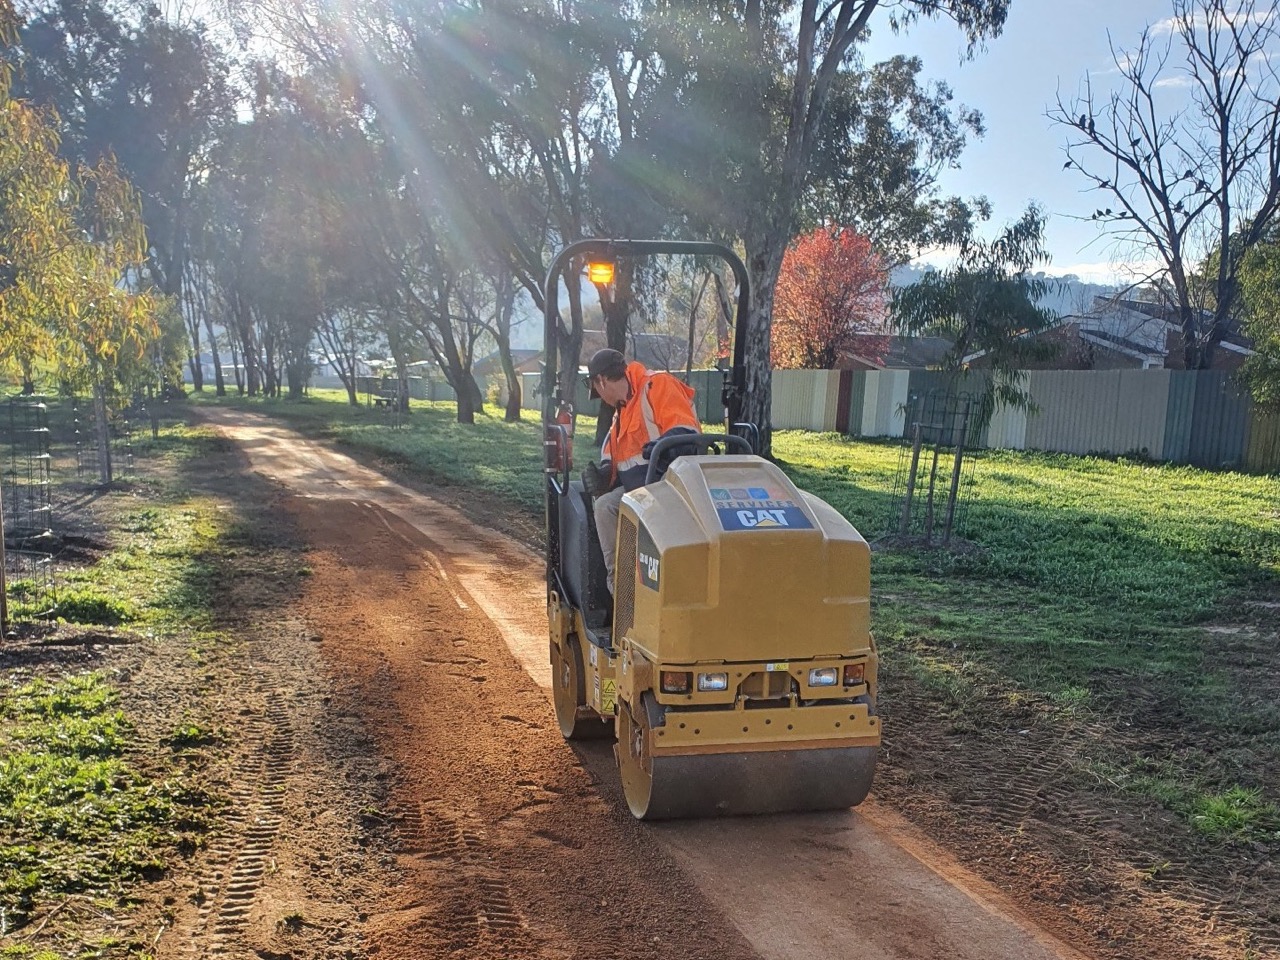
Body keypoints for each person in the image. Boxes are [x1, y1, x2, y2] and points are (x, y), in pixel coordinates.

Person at [582, 348, 700, 594]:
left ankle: (648, 590)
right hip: (640, 491)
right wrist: (603, 476)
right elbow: (614, 460)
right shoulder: (621, 414)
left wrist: (662, 446)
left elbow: (686, 432)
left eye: (597, 390)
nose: (601, 398)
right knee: (605, 506)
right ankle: (621, 587)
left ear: (601, 381)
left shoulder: (657, 385)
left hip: (671, 486)